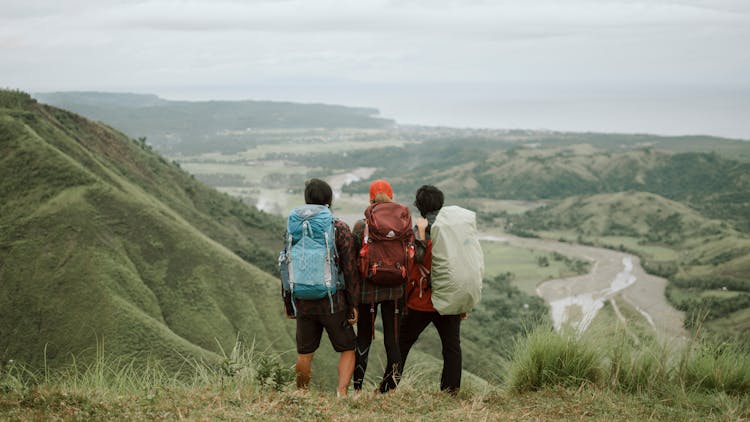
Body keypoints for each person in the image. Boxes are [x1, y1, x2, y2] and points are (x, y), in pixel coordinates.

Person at [282, 178, 360, 397]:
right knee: (347, 348)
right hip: (333, 301)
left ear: (307, 200)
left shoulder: (293, 229)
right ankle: (341, 393)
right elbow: (350, 268)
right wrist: (354, 304)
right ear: (328, 200)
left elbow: (285, 266)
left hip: (303, 301)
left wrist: (288, 302)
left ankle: (301, 393)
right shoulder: (339, 228)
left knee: (305, 353)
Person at [399, 185, 465, 395]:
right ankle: (450, 391)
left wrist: (419, 232)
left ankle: (388, 387)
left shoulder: (422, 228)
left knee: (402, 343)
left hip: (422, 299)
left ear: (419, 206)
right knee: (452, 347)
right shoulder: (453, 229)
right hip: (449, 297)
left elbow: (416, 258)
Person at [351, 179, 413, 393]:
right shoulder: (404, 226)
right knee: (392, 340)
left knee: (364, 338)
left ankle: (357, 389)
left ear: (370, 198)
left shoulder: (362, 225)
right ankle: (389, 389)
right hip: (396, 289)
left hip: (368, 290)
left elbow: (352, 261)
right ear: (392, 197)